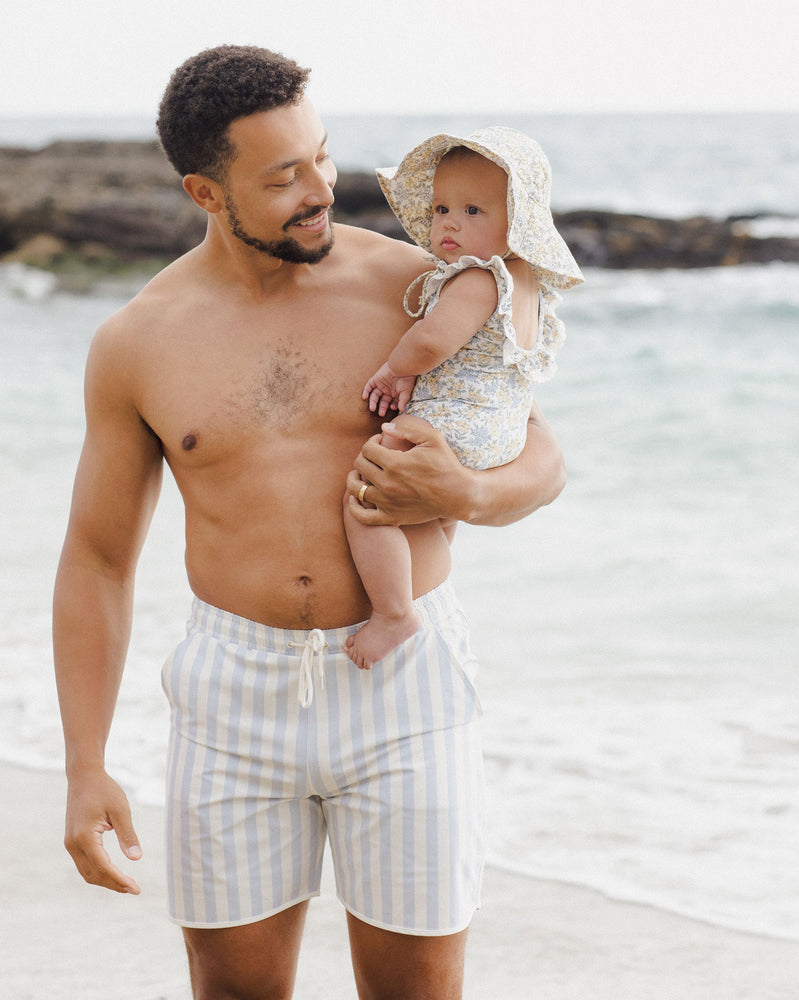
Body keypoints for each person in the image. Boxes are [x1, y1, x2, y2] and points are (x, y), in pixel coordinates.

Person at [52, 45, 568, 1000]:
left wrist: (471, 496)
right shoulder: (137, 341)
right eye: (284, 176)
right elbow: (96, 559)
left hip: (406, 692)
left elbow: (539, 455)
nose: (320, 189)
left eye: (322, 156)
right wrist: (85, 765)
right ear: (206, 193)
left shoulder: (414, 289)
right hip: (232, 694)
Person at [343, 129, 583, 669]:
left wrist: (394, 369)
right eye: (442, 208)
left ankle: (393, 612)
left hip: (455, 426)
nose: (450, 223)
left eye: (473, 210)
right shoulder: (527, 286)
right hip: (503, 432)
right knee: (430, 508)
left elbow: (432, 339)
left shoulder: (479, 278)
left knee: (366, 500)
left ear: (516, 225)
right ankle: (428, 567)